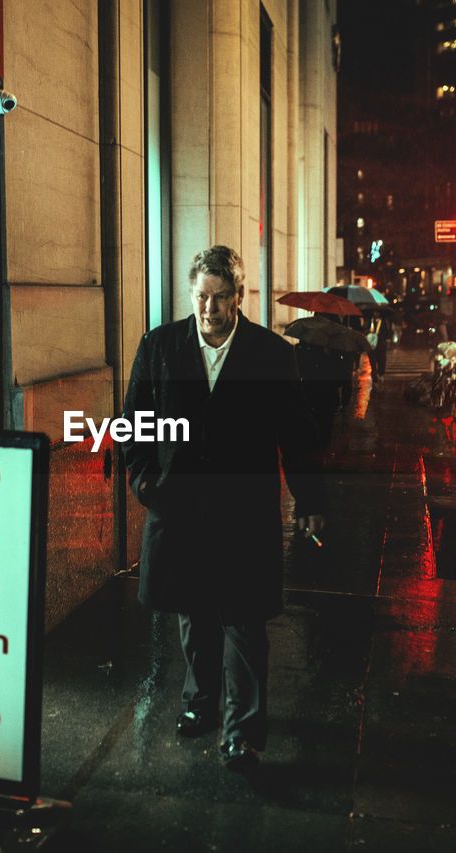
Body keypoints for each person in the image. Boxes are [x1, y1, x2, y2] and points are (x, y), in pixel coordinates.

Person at [120, 245, 327, 771]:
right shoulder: (160, 346)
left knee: (243, 620)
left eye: (219, 297)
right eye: (200, 297)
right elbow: (134, 423)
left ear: (239, 296)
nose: (208, 308)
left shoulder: (271, 355)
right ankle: (199, 703)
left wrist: (310, 499)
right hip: (181, 507)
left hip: (244, 512)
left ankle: (242, 732)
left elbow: (297, 434)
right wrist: (144, 481)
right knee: (195, 613)